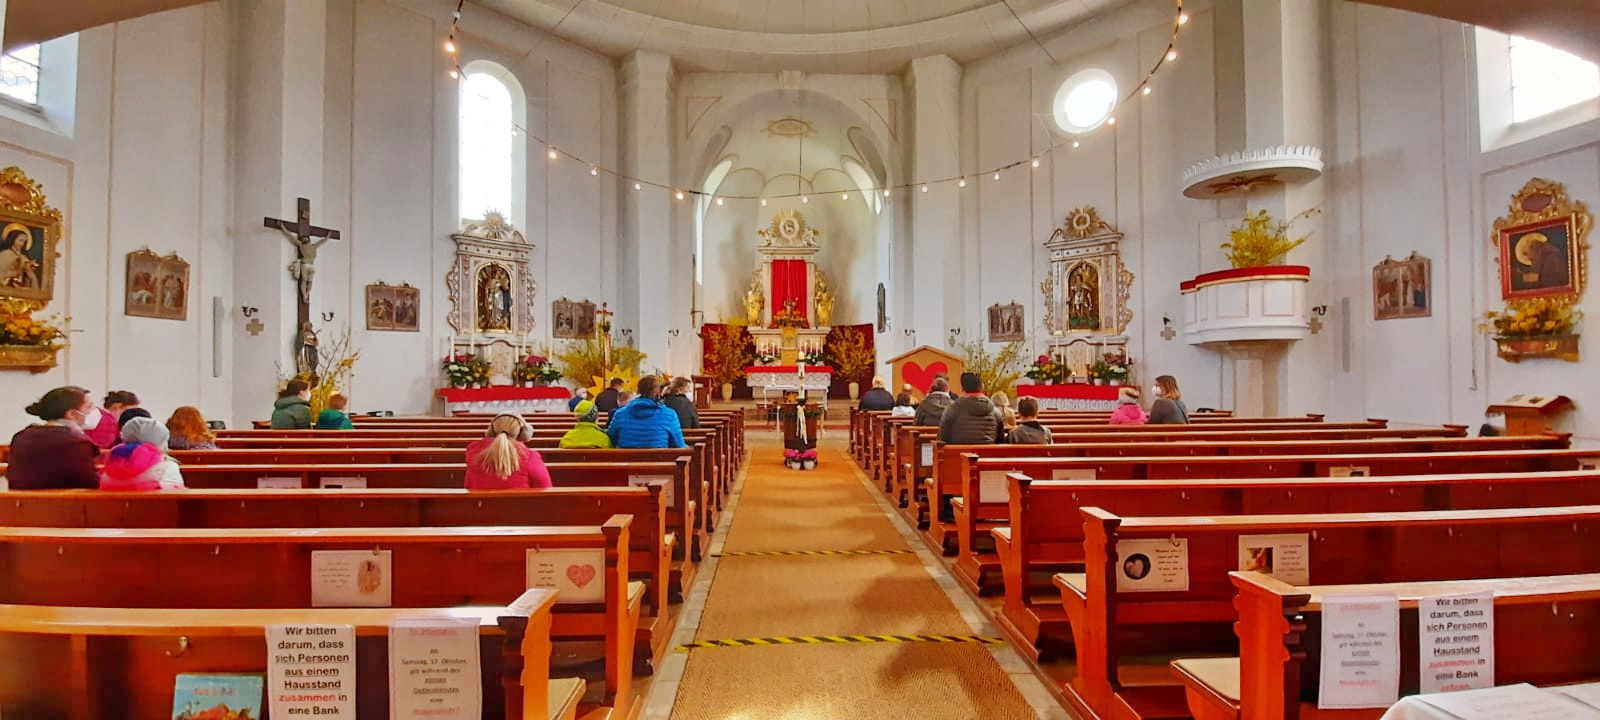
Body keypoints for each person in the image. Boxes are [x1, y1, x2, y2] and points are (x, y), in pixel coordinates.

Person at [7, 387, 101, 489]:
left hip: (20, 498)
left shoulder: (21, 437)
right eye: (89, 407)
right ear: (72, 414)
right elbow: (90, 483)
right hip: (71, 498)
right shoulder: (77, 443)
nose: (94, 411)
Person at [464, 414, 553, 489]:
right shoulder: (530, 457)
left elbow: (468, 487)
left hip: (482, 505)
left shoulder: (475, 456)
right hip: (522, 505)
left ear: (491, 432)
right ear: (523, 434)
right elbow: (546, 490)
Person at [99, 416, 185, 490]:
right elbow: (177, 492)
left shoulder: (112, 460)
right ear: (159, 442)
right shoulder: (168, 466)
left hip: (109, 504)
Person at [607, 375, 686, 449]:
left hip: (626, 458)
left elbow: (611, 438)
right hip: (658, 458)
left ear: (639, 391)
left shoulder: (620, 414)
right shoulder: (670, 415)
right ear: (658, 392)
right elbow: (679, 445)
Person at [938, 372, 1004, 444]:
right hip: (988, 451)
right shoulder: (995, 412)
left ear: (962, 388)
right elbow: (1000, 439)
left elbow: (943, 437)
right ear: (982, 387)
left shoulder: (952, 409)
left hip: (959, 450)